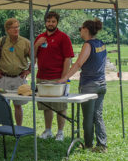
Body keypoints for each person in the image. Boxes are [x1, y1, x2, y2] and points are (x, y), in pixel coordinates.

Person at [58, 19, 107, 152]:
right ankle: (102, 145)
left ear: (86, 29)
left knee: (88, 116)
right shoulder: (101, 44)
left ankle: (88, 144)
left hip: (89, 85)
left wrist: (65, 78)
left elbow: (79, 63)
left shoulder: (88, 45)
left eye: (81, 28)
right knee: (98, 115)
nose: (80, 31)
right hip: (101, 84)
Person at [35, 11, 74, 141]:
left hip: (57, 78)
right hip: (42, 77)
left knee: (60, 106)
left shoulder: (63, 37)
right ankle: (48, 130)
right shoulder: (40, 37)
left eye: (53, 21)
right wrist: (37, 44)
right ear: (45, 22)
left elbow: (67, 59)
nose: (50, 23)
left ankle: (60, 132)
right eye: (48, 21)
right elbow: (33, 56)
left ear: (57, 22)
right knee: (47, 106)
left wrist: (63, 78)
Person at [0, 18, 31, 126]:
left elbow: (34, 58)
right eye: (14, 27)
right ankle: (6, 128)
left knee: (18, 105)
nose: (17, 29)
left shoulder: (26, 42)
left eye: (18, 27)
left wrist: (28, 70)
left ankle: (18, 128)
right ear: (7, 29)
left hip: (19, 78)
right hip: (3, 78)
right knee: (3, 104)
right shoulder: (1, 42)